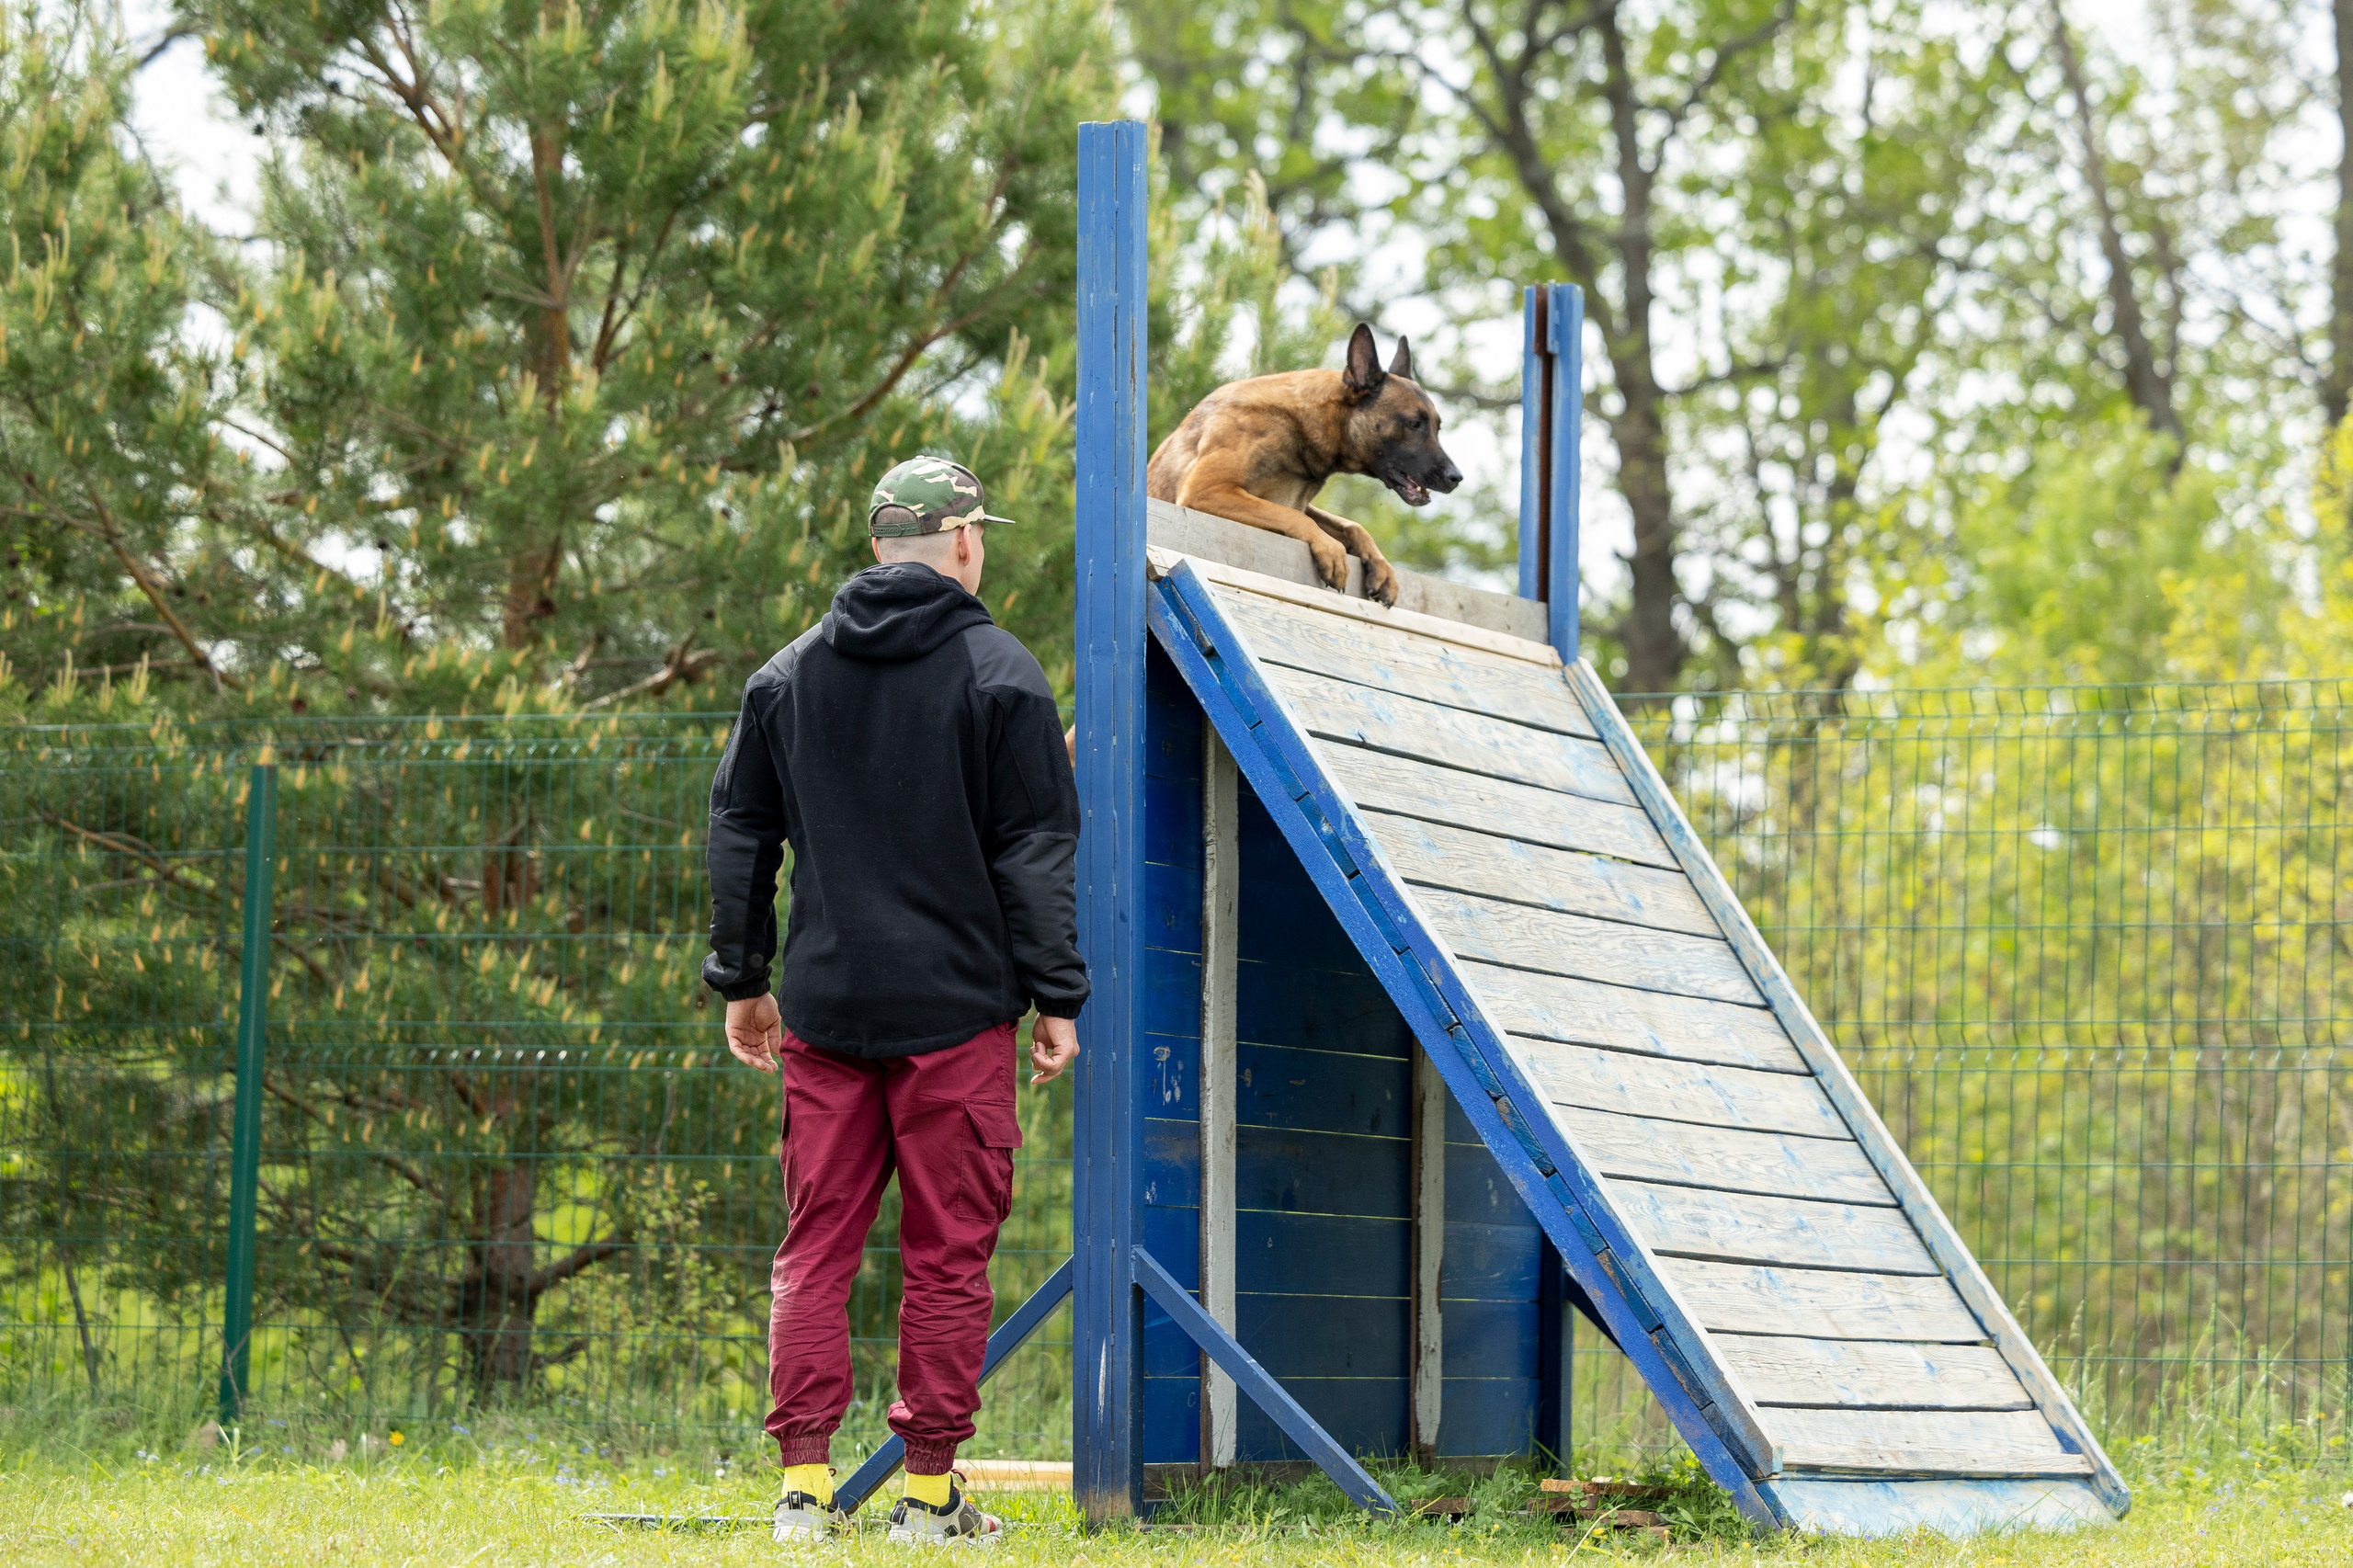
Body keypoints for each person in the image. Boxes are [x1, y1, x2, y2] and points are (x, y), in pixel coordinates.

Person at [702, 456, 1086, 1547]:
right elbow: (1034, 847)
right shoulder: (1003, 671)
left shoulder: (786, 674)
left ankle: (803, 1496)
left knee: (814, 1244)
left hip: (823, 1010)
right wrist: (1056, 992)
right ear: (964, 540)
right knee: (947, 1252)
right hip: (957, 1014)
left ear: (880, 545)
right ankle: (928, 1497)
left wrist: (743, 977)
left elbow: (739, 832)